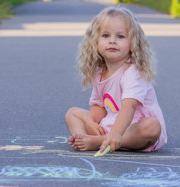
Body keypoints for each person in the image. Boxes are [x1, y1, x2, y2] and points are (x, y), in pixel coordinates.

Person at [65, 6, 167, 153]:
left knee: (152, 127)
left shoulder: (133, 72)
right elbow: (99, 105)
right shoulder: (100, 73)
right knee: (72, 113)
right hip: (111, 126)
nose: (112, 41)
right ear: (95, 41)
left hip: (133, 127)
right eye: (106, 36)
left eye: (120, 36)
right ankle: (83, 139)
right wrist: (92, 122)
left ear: (133, 43)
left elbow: (129, 106)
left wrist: (116, 133)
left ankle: (98, 142)